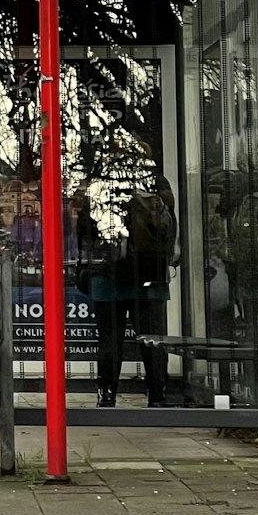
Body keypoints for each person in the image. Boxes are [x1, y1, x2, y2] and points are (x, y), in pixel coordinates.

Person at [93, 171, 176, 407]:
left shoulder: (102, 182)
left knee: (109, 340)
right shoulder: (157, 182)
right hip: (151, 278)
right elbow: (170, 228)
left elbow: (85, 230)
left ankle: (107, 395)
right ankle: (158, 396)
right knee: (154, 340)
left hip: (109, 277)